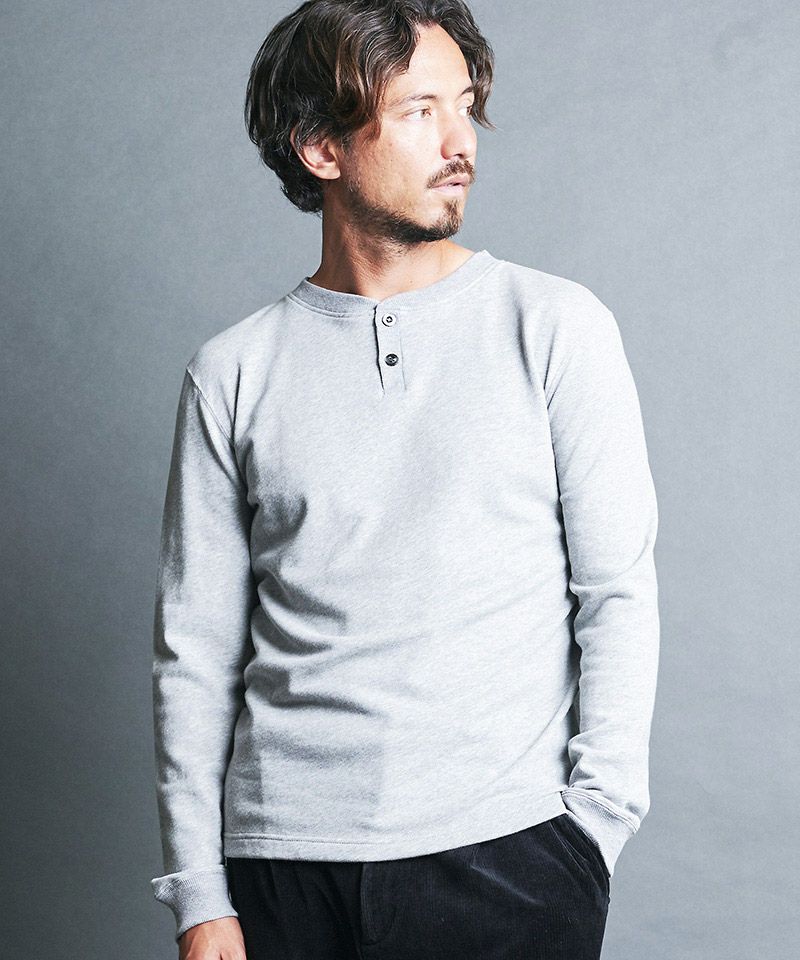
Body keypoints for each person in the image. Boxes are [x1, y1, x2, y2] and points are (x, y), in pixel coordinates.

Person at [149, 1, 661, 958]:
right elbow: (196, 653)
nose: (461, 143)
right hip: (282, 874)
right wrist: (200, 894)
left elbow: (617, 594)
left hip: (511, 861)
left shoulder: (555, 327)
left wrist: (594, 829)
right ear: (321, 148)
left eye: (464, 105)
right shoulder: (232, 372)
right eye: (421, 111)